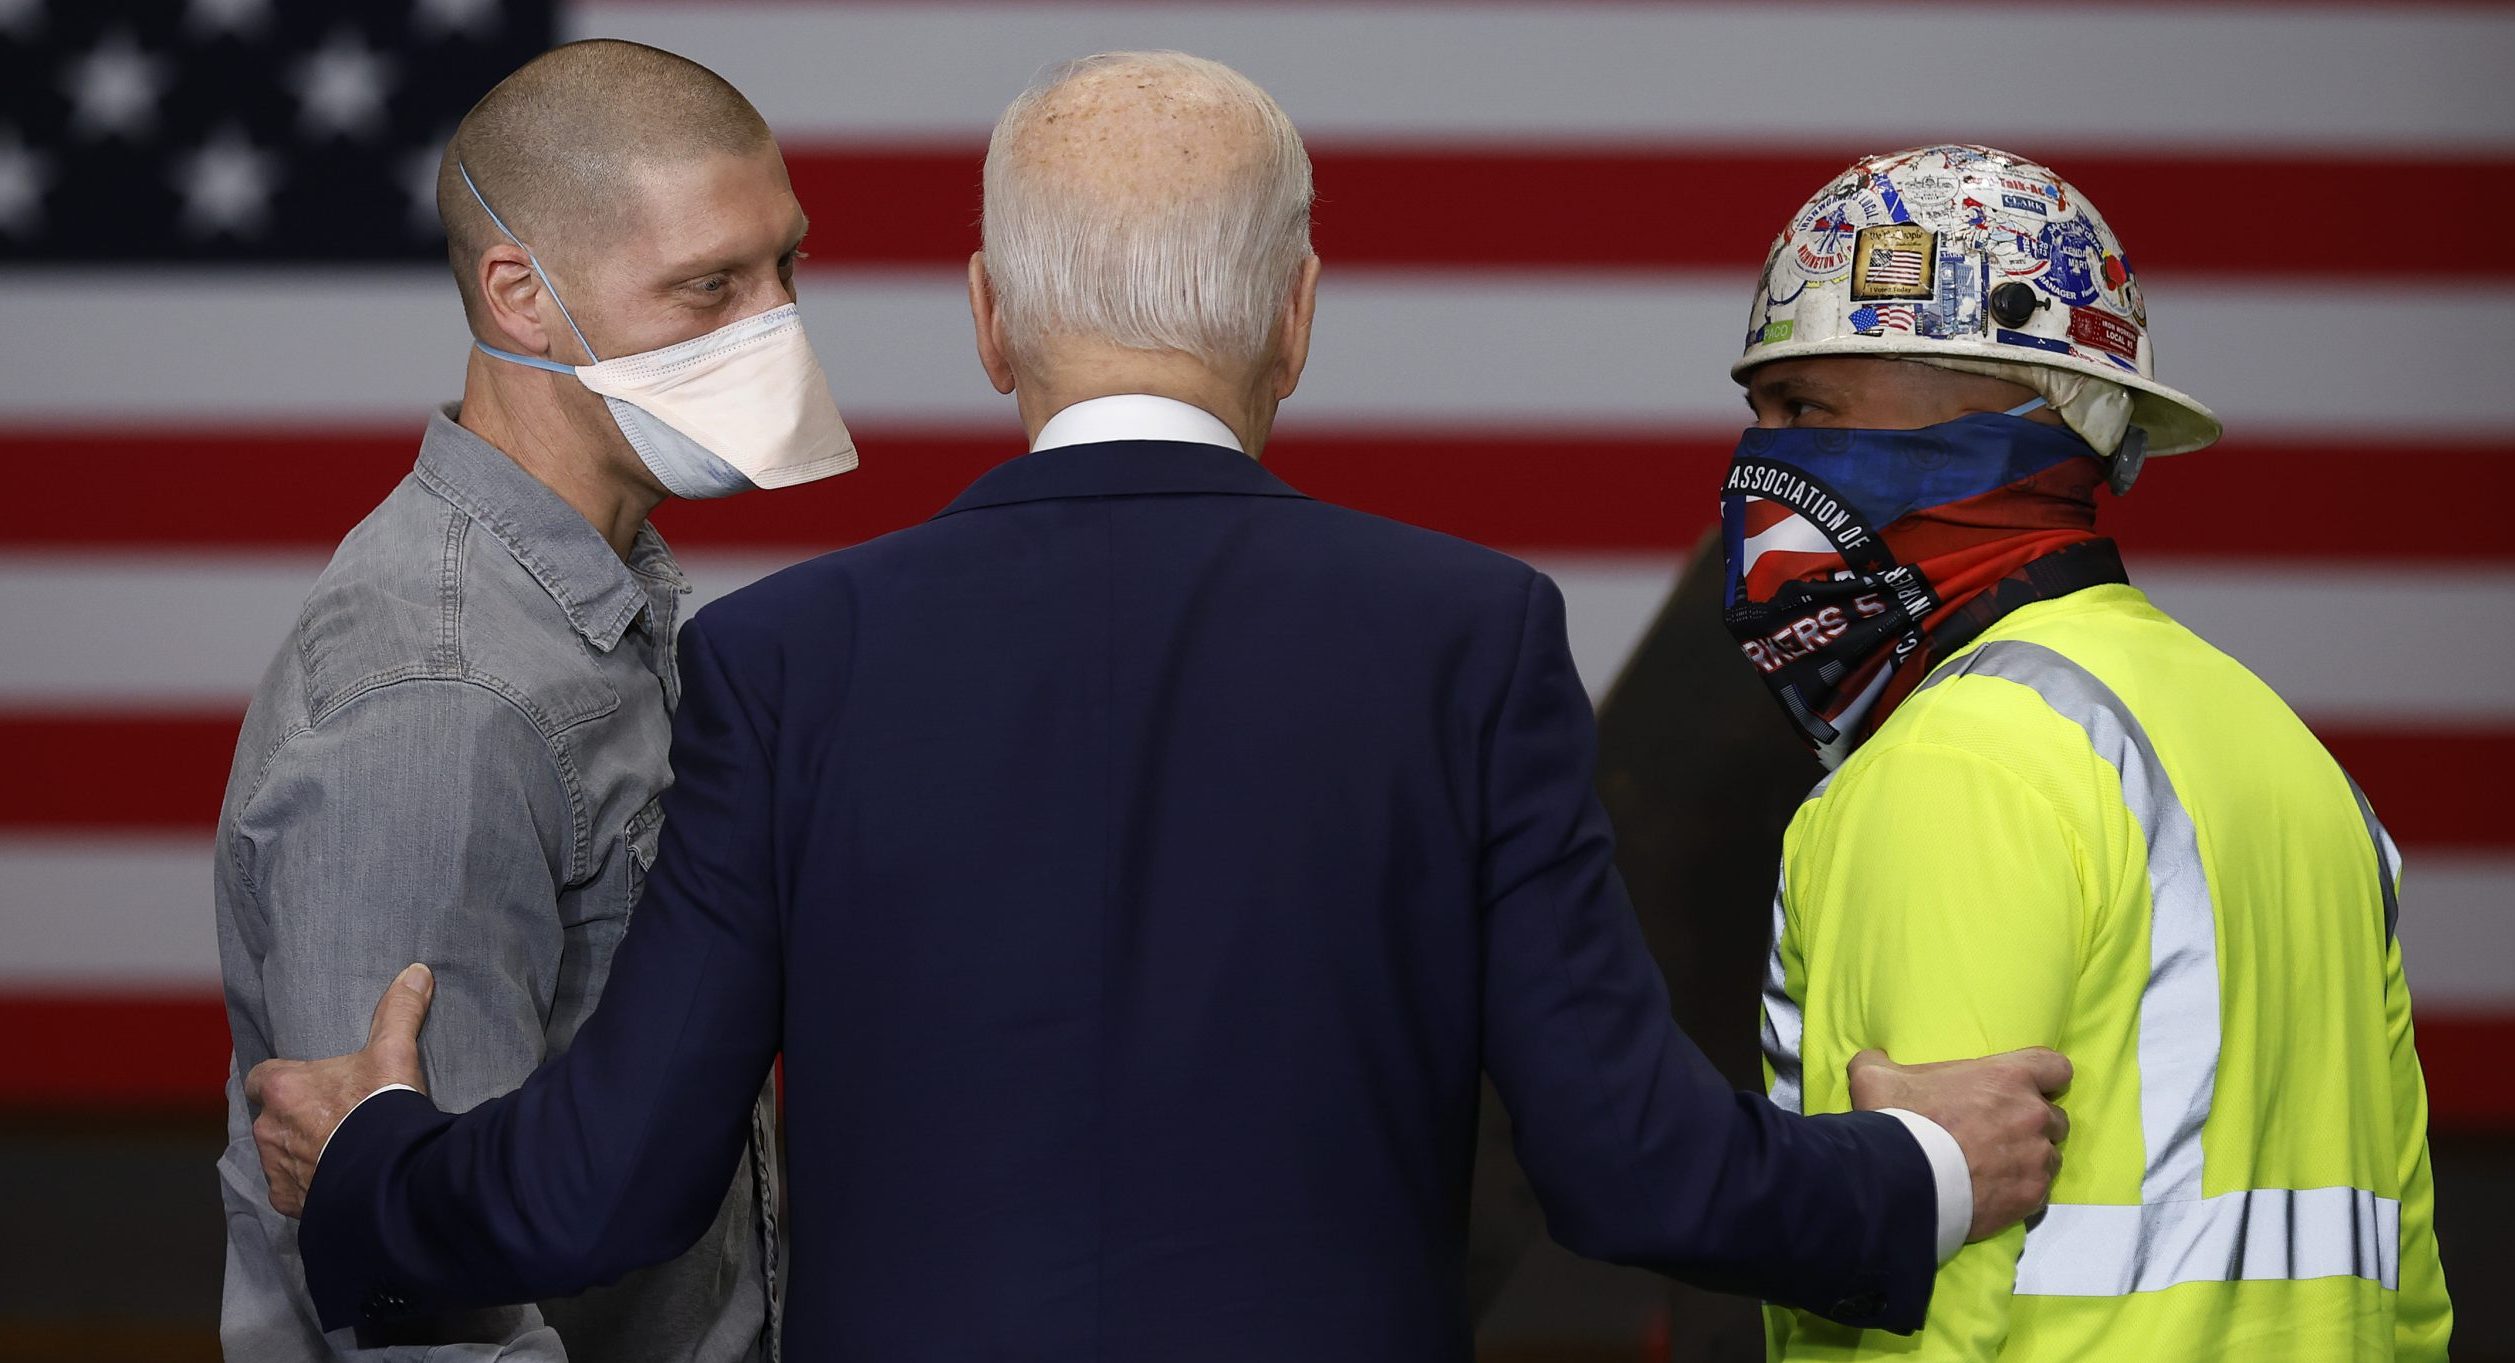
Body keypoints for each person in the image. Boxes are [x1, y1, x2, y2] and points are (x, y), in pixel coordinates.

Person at [242, 57, 2070, 1362]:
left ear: (986, 317)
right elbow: (1629, 1161)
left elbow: (606, 1185)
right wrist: (1921, 1168)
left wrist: (380, 1169)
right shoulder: (1468, 636)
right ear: (1295, 316)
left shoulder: (789, 659)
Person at [1720, 145, 2453, 1359]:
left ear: (2023, 419)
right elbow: (2411, 1290)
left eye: (1810, 411)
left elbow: (1913, 1290)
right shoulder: (2287, 754)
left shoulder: (1950, 764)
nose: (1765, 463)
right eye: (1761, 412)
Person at [213, 39, 855, 1361]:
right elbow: (416, 1290)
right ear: (521, 293)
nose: (771, 324)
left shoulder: (598, 600)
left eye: (783, 265)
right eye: (708, 287)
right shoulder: (440, 695)